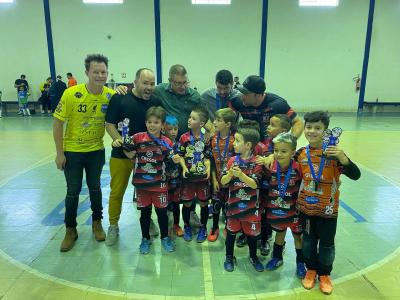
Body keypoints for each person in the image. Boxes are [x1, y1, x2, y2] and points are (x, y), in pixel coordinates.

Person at [53, 54, 115, 252]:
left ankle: (97, 223)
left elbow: (114, 121)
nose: (100, 75)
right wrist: (59, 153)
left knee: (95, 188)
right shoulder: (71, 94)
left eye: (103, 72)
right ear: (87, 72)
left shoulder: (110, 96)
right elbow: (57, 123)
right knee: (73, 191)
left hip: (96, 151)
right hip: (72, 151)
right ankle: (70, 229)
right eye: (95, 72)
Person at [296, 111, 361, 295]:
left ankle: (324, 274)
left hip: (328, 210)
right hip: (307, 209)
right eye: (309, 127)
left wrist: (343, 158)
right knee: (308, 242)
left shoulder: (334, 154)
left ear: (326, 131)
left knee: (326, 244)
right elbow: (288, 172)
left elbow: (356, 175)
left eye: (318, 128)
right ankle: (311, 270)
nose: (312, 131)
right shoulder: (300, 154)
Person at [105, 68, 162, 246]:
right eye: (145, 83)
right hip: (121, 155)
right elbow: (110, 125)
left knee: (146, 192)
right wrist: (123, 145)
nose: (149, 87)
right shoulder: (120, 97)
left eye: (152, 84)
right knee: (117, 192)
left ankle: (148, 221)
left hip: (147, 157)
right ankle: (113, 225)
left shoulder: (156, 101)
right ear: (135, 82)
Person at [113, 106, 176, 254]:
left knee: (162, 213)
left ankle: (165, 238)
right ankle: (145, 238)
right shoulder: (137, 138)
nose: (152, 125)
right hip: (142, 185)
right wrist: (117, 144)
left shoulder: (167, 141)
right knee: (145, 214)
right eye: (149, 122)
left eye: (156, 122)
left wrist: (176, 160)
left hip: (160, 184)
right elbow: (127, 149)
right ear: (145, 122)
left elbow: (171, 163)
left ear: (162, 124)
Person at [221, 121, 264, 272]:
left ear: (248, 145)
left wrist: (241, 175)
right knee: (231, 235)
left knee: (252, 236)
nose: (234, 143)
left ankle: (253, 256)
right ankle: (228, 256)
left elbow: (254, 184)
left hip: (252, 209)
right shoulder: (232, 160)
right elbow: (223, 181)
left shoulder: (257, 162)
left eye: (238, 141)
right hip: (233, 207)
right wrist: (230, 174)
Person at [263, 133, 306, 279]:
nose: (278, 154)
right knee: (279, 234)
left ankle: (300, 262)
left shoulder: (298, 168)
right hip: (277, 211)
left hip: (294, 211)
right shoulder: (270, 166)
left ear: (293, 152)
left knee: (297, 237)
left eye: (283, 151)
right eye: (276, 150)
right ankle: (277, 258)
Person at [257, 114, 293, 256]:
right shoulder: (265, 142)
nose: (268, 127)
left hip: (281, 189)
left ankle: (277, 243)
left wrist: (273, 156)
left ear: (283, 131)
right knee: (263, 213)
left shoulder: (289, 146)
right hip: (265, 186)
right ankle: (263, 238)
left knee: (277, 217)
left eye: (272, 125)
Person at [231, 75, 303, 141]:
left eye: (246, 94)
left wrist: (291, 141)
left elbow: (298, 122)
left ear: (258, 96)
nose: (242, 96)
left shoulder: (277, 105)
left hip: (271, 147)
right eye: (242, 92)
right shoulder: (238, 102)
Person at [177, 106, 211, 242]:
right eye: (189, 117)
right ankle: (186, 226)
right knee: (187, 204)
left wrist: (208, 169)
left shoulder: (206, 139)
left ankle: (203, 227)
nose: (189, 120)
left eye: (193, 118)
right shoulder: (184, 137)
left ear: (201, 123)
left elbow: (207, 157)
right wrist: (184, 167)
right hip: (188, 178)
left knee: (203, 203)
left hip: (202, 178)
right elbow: (180, 156)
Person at [208, 108, 236, 242]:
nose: (214, 122)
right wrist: (213, 179)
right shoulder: (212, 139)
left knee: (229, 205)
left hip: (231, 181)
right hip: (216, 181)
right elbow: (212, 162)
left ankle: (227, 225)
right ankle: (214, 227)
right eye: (215, 119)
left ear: (228, 124)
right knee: (215, 205)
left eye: (218, 120)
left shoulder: (235, 140)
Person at [164, 115, 184, 237]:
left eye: (175, 129)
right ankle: (166, 225)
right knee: (165, 204)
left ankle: (176, 224)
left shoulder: (179, 144)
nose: (172, 132)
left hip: (176, 180)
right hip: (163, 180)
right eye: (169, 129)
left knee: (176, 203)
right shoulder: (161, 143)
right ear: (163, 129)